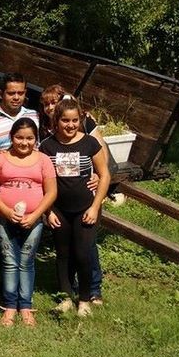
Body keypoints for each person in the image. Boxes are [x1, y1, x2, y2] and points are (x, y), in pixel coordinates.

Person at [39, 98, 110, 317]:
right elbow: (41, 180)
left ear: (80, 121)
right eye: (65, 121)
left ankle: (85, 299)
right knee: (63, 254)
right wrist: (48, 211)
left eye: (74, 121)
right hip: (59, 209)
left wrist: (95, 206)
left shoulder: (89, 143)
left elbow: (105, 174)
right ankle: (65, 297)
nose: (70, 125)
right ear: (56, 121)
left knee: (83, 253)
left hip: (85, 208)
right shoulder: (47, 146)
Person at [0, 118, 57, 327]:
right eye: (19, 138)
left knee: (26, 262)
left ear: (36, 139)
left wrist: (36, 216)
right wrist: (6, 211)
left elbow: (51, 192)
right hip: (5, 219)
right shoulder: (1, 158)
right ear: (11, 137)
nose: (24, 143)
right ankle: (9, 307)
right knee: (9, 261)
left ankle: (25, 306)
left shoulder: (43, 160)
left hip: (34, 220)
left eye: (29, 138)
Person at [0, 73, 40, 150]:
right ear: (0, 94)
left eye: (20, 93)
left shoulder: (35, 115)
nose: (16, 97)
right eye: (11, 93)